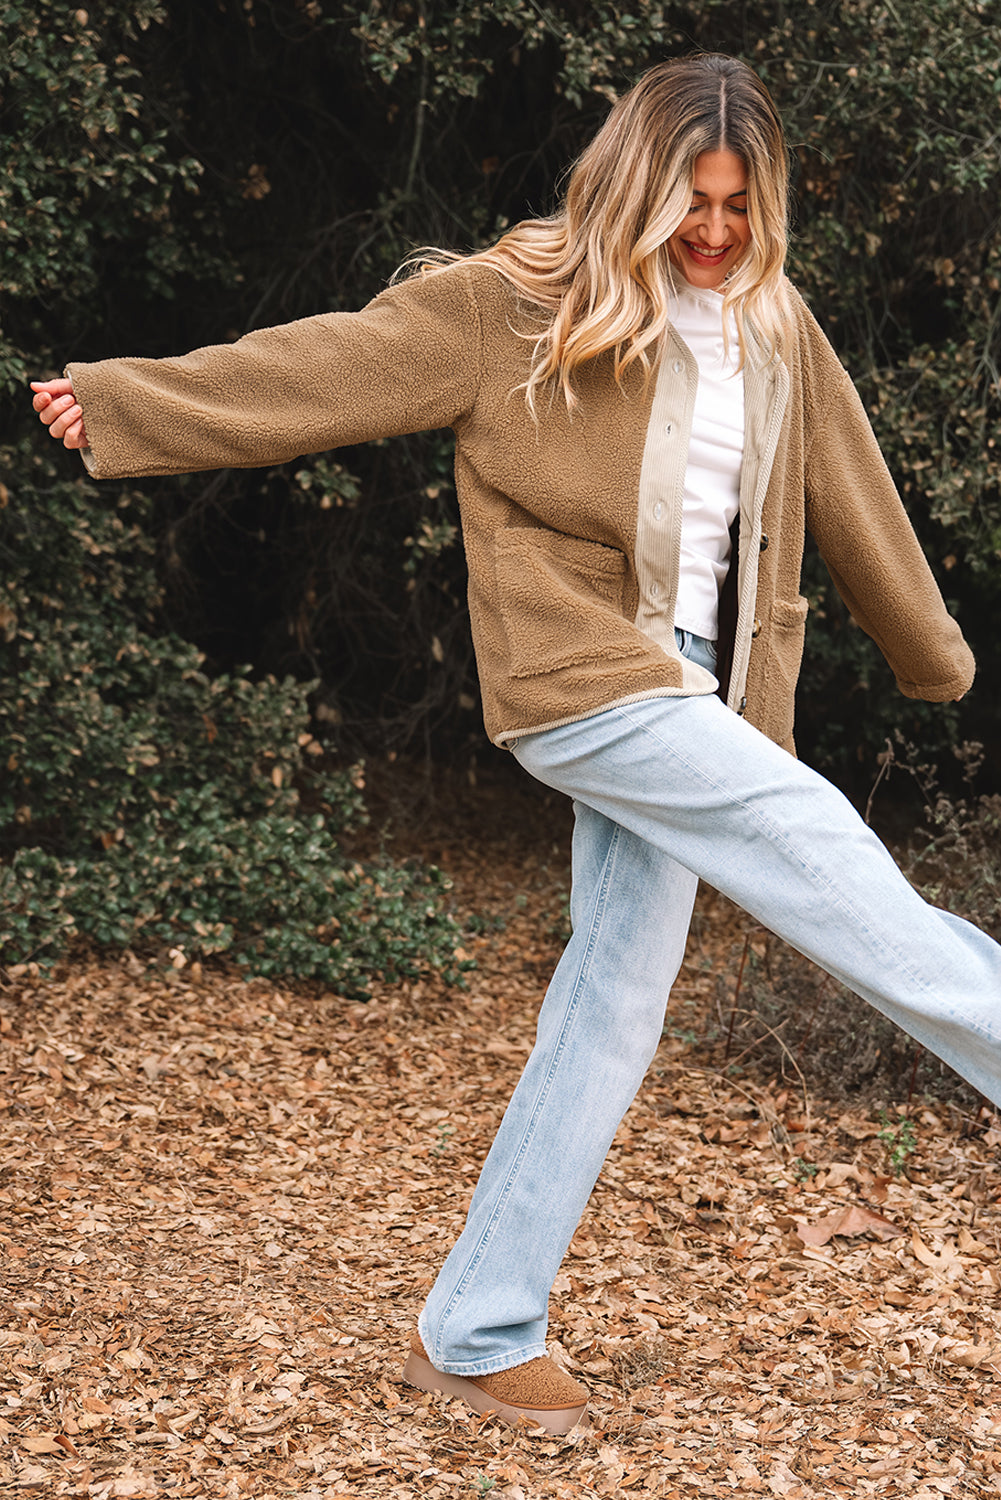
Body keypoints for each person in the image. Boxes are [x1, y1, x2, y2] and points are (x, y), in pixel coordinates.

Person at [32, 52, 1001, 1436]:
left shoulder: (776, 325)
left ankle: (479, 1328)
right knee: (831, 862)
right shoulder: (514, 308)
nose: (713, 232)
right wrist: (127, 406)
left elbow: (853, 493)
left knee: (608, 1007)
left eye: (736, 205)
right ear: (632, 189)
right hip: (588, 678)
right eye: (688, 204)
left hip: (707, 698)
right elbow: (321, 368)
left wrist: (932, 656)